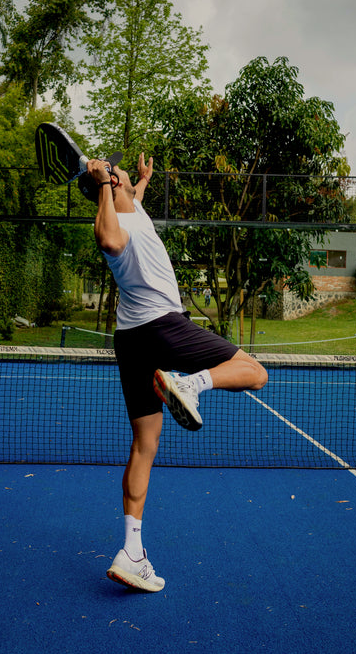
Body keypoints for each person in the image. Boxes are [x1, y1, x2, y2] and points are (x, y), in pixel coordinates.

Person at [84, 153, 268, 592]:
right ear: (111, 184)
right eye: (118, 170)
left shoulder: (133, 208)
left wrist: (139, 181)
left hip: (130, 338)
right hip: (162, 327)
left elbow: (130, 200)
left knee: (145, 445)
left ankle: (132, 552)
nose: (123, 172)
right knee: (254, 372)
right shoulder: (115, 224)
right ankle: (190, 383)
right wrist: (106, 184)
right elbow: (109, 240)